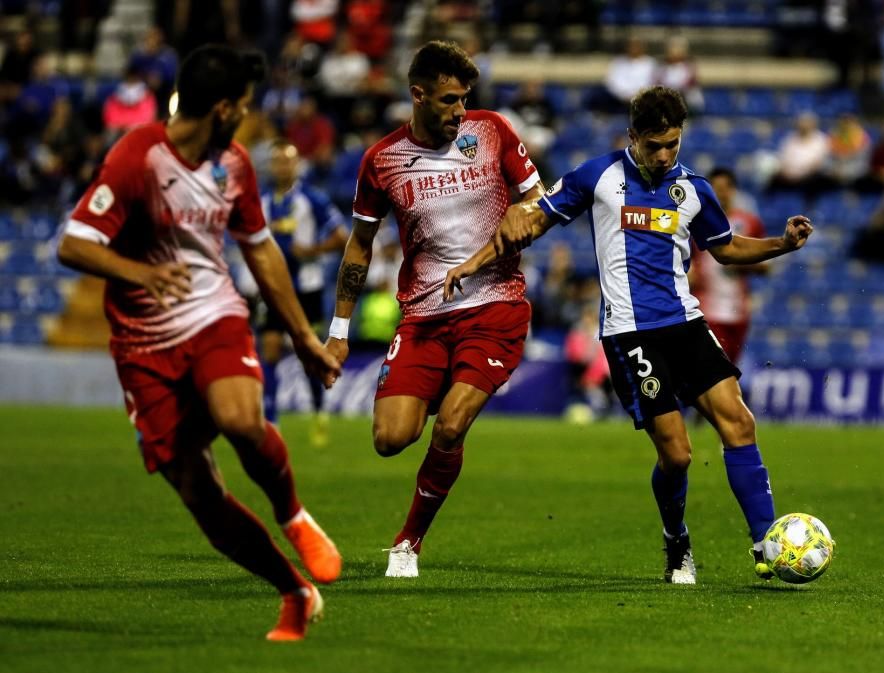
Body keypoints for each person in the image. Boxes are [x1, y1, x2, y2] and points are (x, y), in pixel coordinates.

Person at [444, 86, 814, 584]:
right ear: (633, 136)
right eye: (654, 145)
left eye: (673, 145)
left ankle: (767, 543)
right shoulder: (596, 177)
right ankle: (676, 539)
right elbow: (530, 225)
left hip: (685, 323)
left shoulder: (694, 190)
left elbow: (725, 250)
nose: (664, 156)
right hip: (630, 334)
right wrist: (472, 264)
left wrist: (781, 245)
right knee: (678, 455)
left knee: (739, 423)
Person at [56, 45, 341, 641]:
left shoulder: (234, 164)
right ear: (223, 106)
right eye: (243, 105)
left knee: (239, 417)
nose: (247, 115)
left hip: (212, 314)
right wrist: (142, 274)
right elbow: (74, 244)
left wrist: (303, 336)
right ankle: (294, 591)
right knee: (198, 492)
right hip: (143, 341)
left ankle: (293, 514)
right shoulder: (136, 157)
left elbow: (260, 248)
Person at [322, 40, 544, 578]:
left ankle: (408, 542)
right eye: (448, 100)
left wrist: (525, 213)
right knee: (390, 439)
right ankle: (440, 385)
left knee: (450, 427)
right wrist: (338, 330)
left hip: (494, 308)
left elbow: (541, 202)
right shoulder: (382, 161)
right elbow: (360, 244)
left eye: (464, 99)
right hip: (424, 315)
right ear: (417, 96)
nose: (460, 111)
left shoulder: (491, 132)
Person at [256, 139, 348, 442]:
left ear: (297, 165)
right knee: (269, 348)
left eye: (287, 161)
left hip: (307, 288)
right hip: (272, 287)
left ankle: (319, 410)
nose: (282, 166)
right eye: (278, 161)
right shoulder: (262, 200)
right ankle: (271, 420)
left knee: (309, 356)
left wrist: (311, 250)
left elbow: (341, 237)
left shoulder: (312, 199)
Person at [690, 168, 768, 364]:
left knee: (730, 367)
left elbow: (765, 265)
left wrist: (741, 262)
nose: (720, 193)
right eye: (715, 189)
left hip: (738, 311)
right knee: (716, 369)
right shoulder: (696, 222)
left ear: (733, 190)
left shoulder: (749, 222)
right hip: (705, 309)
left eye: (725, 188)